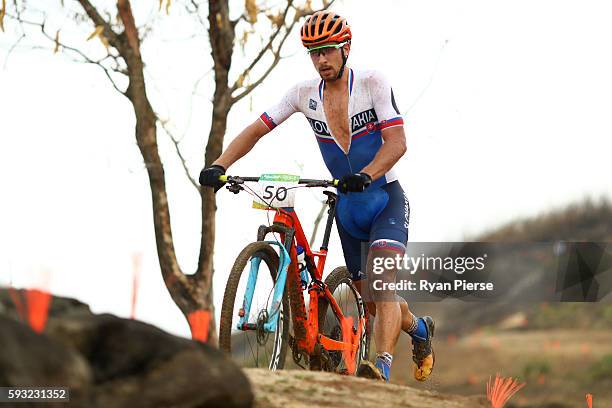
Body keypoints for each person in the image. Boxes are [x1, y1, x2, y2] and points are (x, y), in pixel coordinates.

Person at [199, 10, 434, 382]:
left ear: (345, 48)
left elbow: (398, 142)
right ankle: (419, 329)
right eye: (313, 53)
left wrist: (367, 174)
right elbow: (257, 129)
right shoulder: (304, 94)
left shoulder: (372, 83)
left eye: (327, 50)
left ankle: (382, 367)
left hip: (384, 200)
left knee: (381, 285)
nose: (321, 60)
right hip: (348, 208)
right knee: (372, 303)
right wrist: (219, 163)